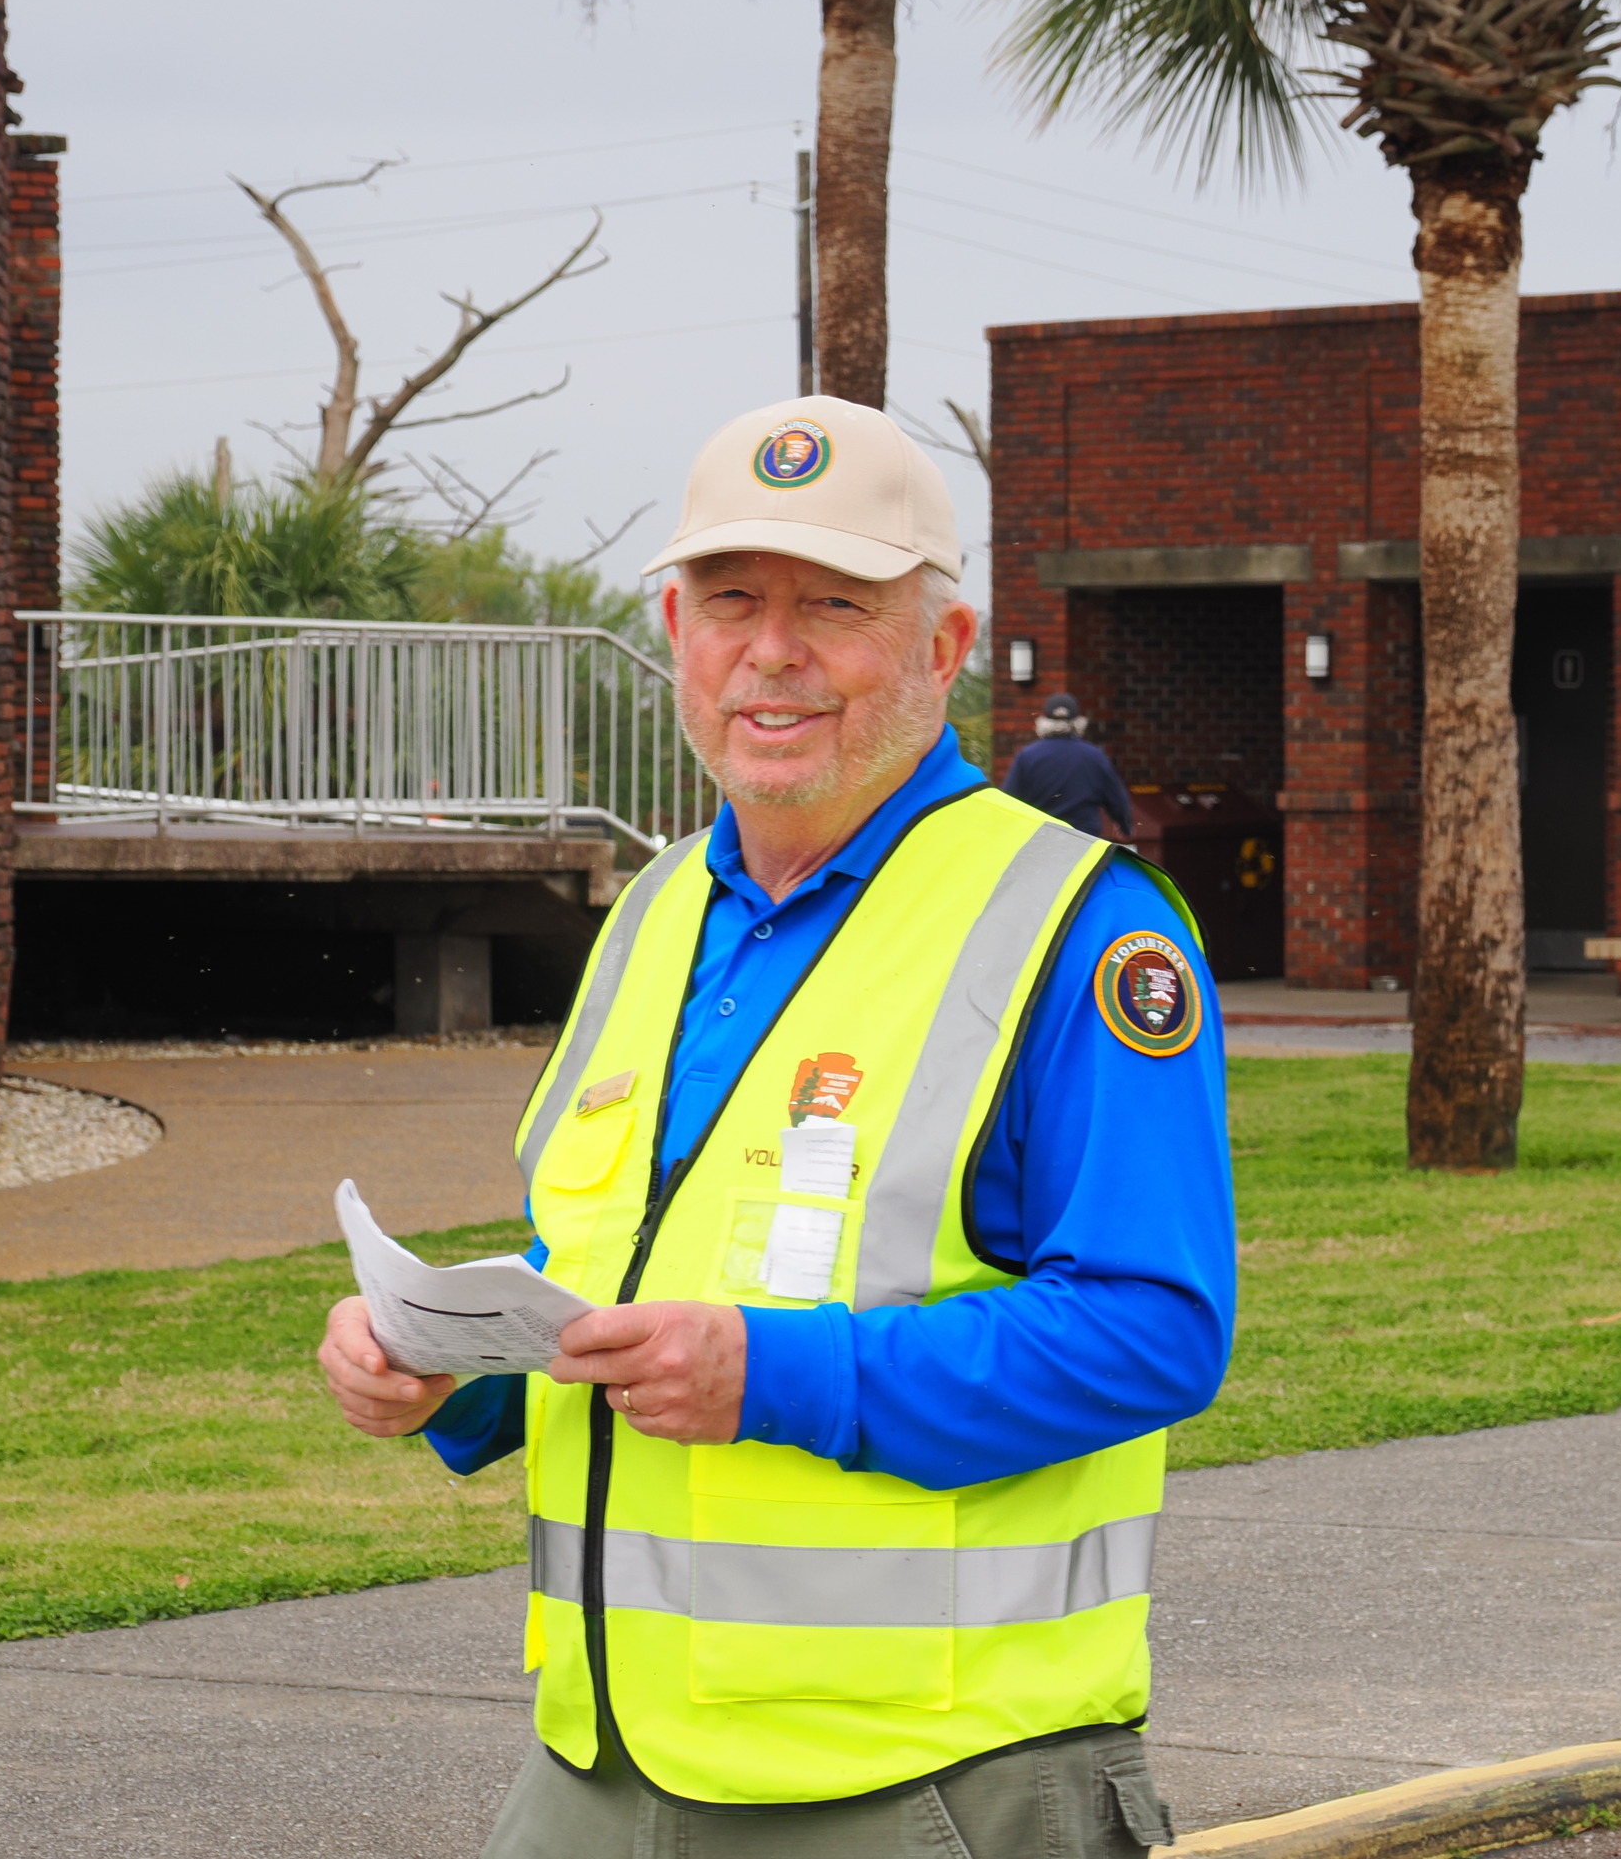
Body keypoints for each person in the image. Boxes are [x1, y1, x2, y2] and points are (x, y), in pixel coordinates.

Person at [317, 396, 1232, 1857]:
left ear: (942, 648)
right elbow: (616, 1270)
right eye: (732, 601)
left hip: (933, 1779)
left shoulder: (1080, 927)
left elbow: (1157, 1331)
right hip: (599, 1766)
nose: (773, 650)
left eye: (836, 606)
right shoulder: (657, 908)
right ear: (677, 629)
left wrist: (774, 1373)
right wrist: (454, 1369)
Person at [1001, 692, 1135, 840]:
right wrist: (1125, 825)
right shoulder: (1094, 757)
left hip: (1040, 839)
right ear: (1078, 722)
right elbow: (1117, 800)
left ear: (1043, 722)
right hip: (1084, 839)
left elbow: (1009, 801)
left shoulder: (1027, 756)